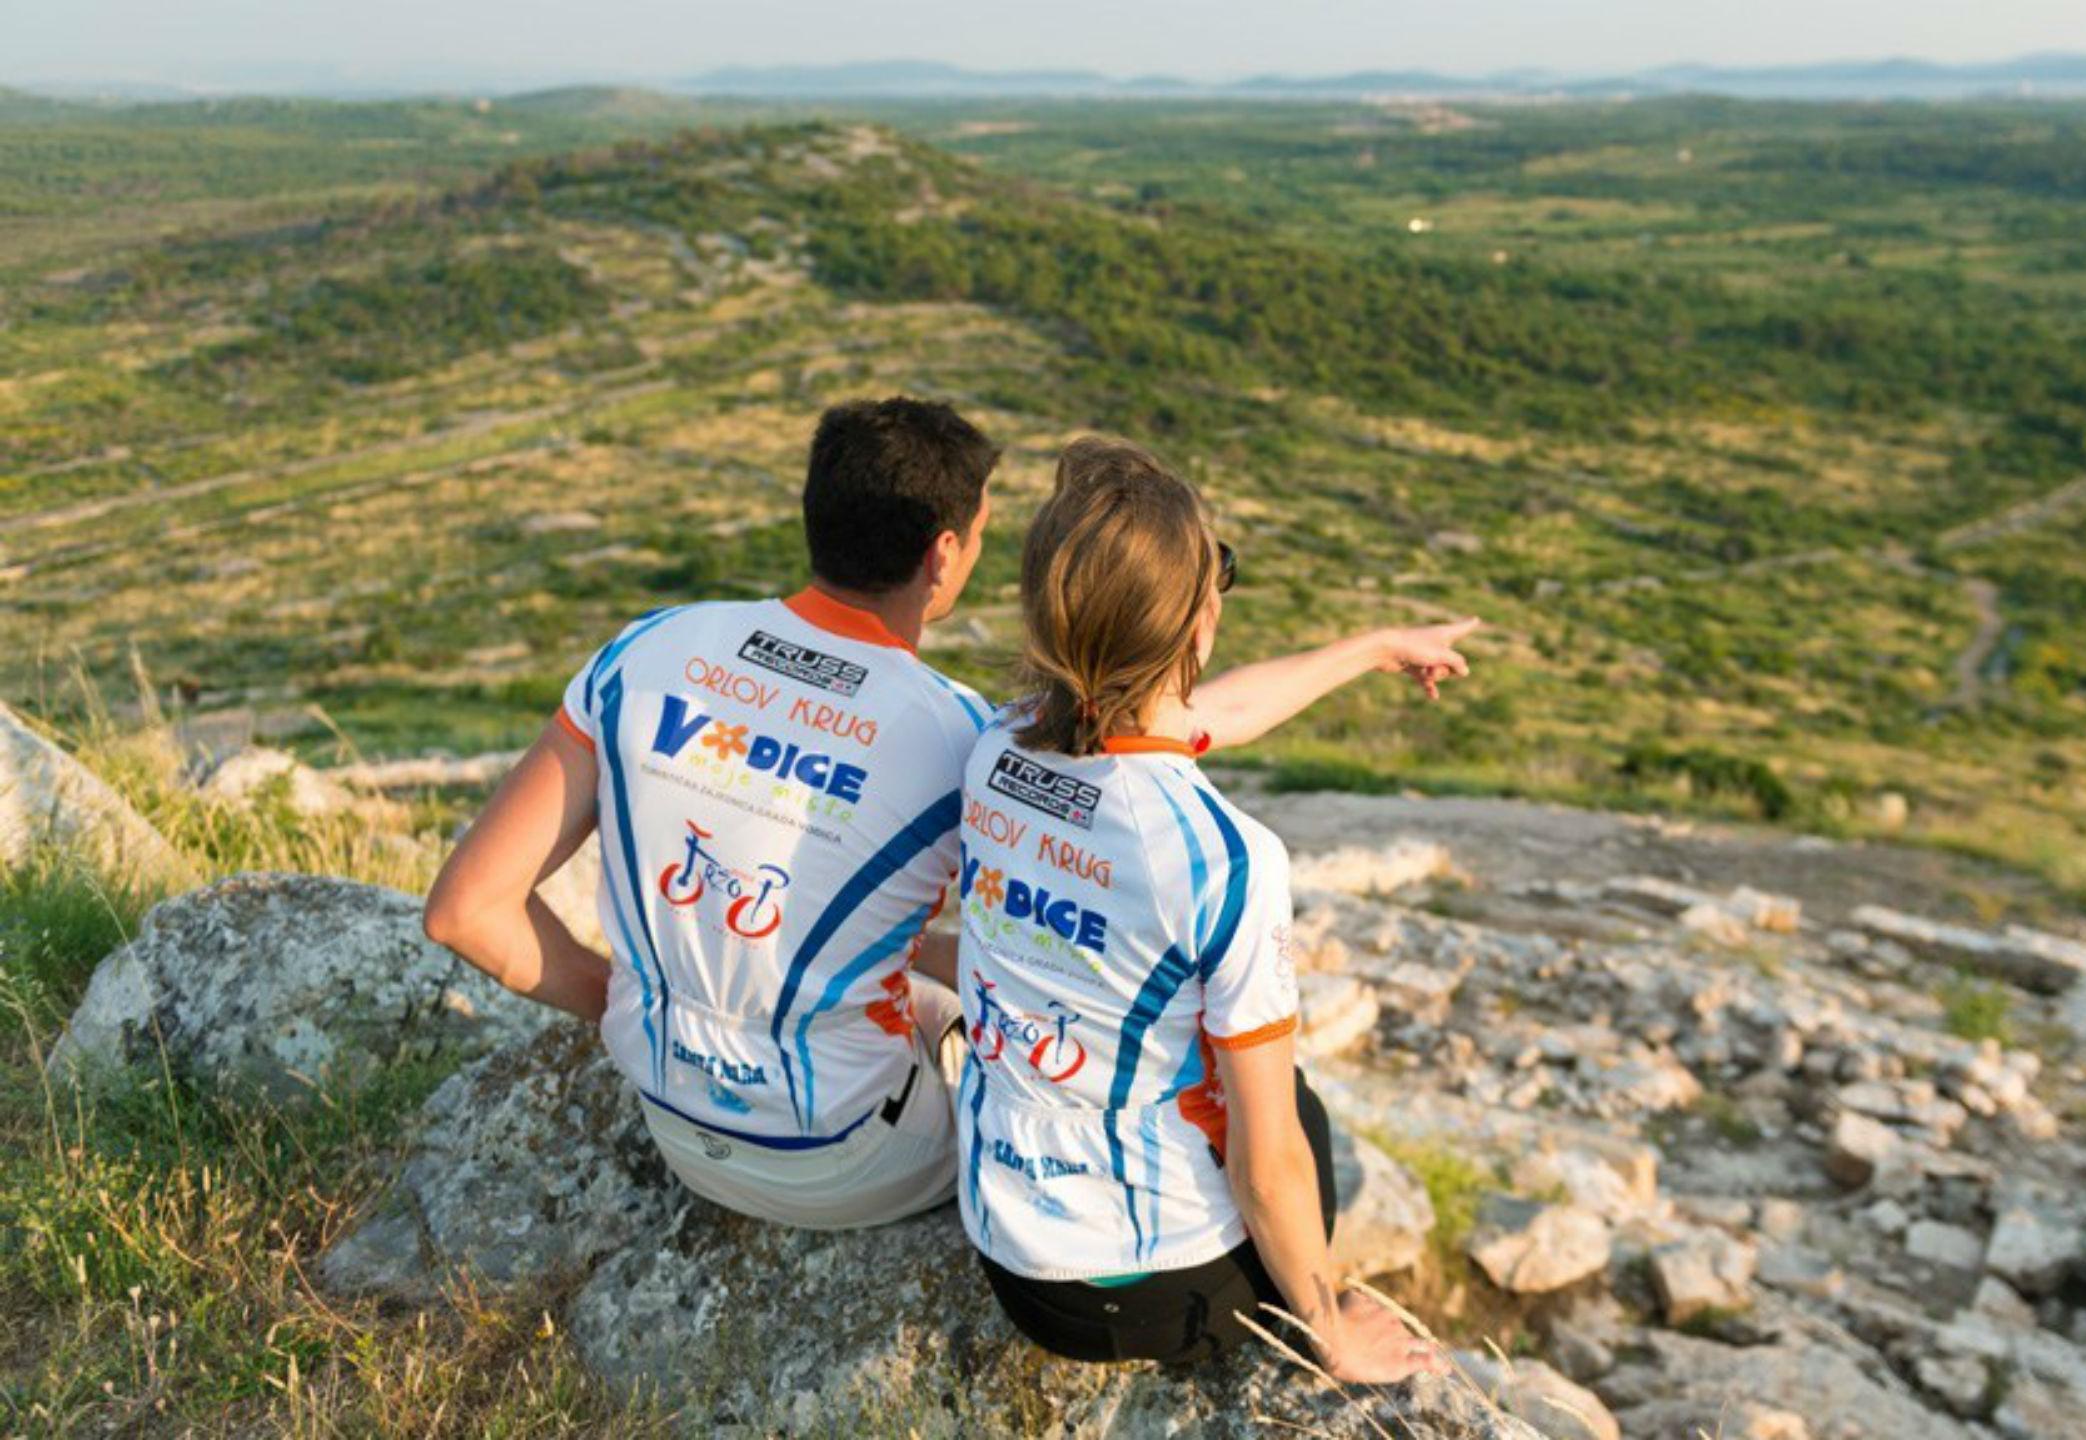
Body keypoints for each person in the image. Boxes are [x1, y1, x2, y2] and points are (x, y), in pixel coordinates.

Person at [424, 398, 1475, 1235]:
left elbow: (466, 913)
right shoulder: (960, 739)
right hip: (845, 1159)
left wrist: (647, 1015)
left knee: (918, 978)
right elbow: (1177, 724)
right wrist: (1372, 648)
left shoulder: (646, 650)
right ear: (943, 556)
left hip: (671, 1121)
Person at [953, 437, 1469, 1383]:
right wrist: (1330, 1325)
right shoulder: (1225, 861)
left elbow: (1199, 718)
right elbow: (1266, 1164)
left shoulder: (997, 747)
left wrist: (1374, 649)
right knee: (1292, 1111)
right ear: (1200, 624)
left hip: (1010, 1256)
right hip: (1147, 1291)